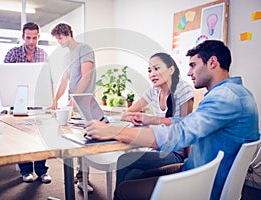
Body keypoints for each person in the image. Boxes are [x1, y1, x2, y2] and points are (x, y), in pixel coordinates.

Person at [85, 40, 260, 200]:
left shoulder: (225, 97)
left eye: (193, 65)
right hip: (196, 169)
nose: (189, 72)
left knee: (125, 190)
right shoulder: (233, 93)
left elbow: (178, 134)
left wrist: (113, 131)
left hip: (204, 181)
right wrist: (150, 119)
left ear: (212, 62)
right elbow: (189, 122)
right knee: (130, 172)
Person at [117, 52, 194, 186]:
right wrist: (135, 117)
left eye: (156, 68)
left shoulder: (183, 89)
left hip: (175, 153)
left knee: (124, 160)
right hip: (157, 148)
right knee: (131, 174)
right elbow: (127, 113)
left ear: (171, 69)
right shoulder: (154, 91)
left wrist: (188, 165)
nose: (152, 74)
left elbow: (185, 127)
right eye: (149, 70)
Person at [50, 23, 96, 192]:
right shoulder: (67, 57)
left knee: (84, 142)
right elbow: (64, 80)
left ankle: (83, 179)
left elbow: (86, 76)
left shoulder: (84, 48)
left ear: (69, 34)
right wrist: (55, 100)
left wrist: (74, 100)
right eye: (57, 39)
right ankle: (76, 178)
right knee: (72, 140)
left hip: (85, 102)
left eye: (60, 38)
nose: (59, 42)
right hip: (73, 103)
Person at [4, 22, 51, 184]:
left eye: (35, 38)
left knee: (40, 136)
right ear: (23, 37)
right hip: (19, 99)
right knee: (21, 136)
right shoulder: (12, 54)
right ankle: (26, 171)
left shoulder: (43, 55)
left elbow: (48, 79)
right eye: (28, 38)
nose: (31, 41)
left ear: (38, 37)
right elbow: (5, 79)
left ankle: (41, 171)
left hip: (38, 99)